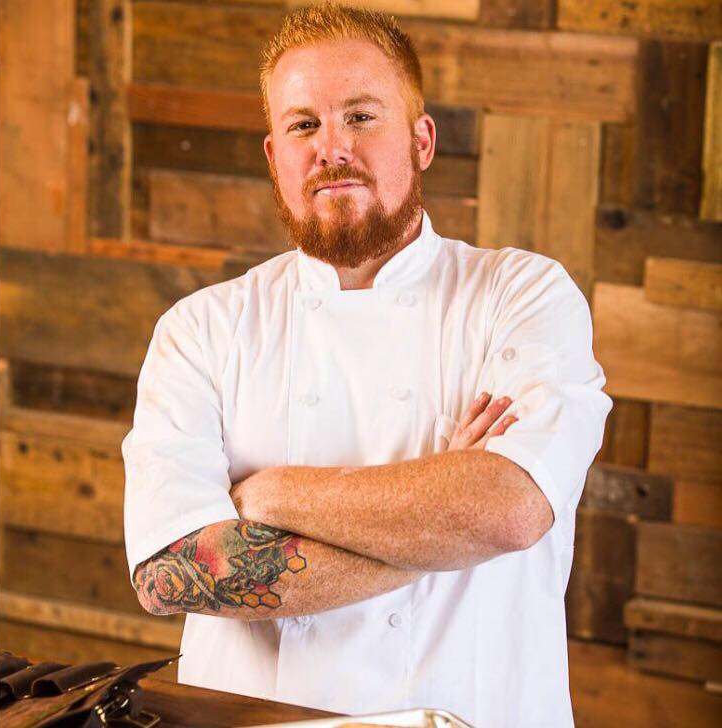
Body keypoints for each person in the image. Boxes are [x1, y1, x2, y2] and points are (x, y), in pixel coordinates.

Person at [122, 3, 612, 726]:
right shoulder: (202, 329)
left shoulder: (522, 293)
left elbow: (509, 509)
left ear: (421, 141)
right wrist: (444, 519)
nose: (331, 148)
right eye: (303, 125)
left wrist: (271, 495)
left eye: (360, 116)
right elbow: (171, 574)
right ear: (274, 155)